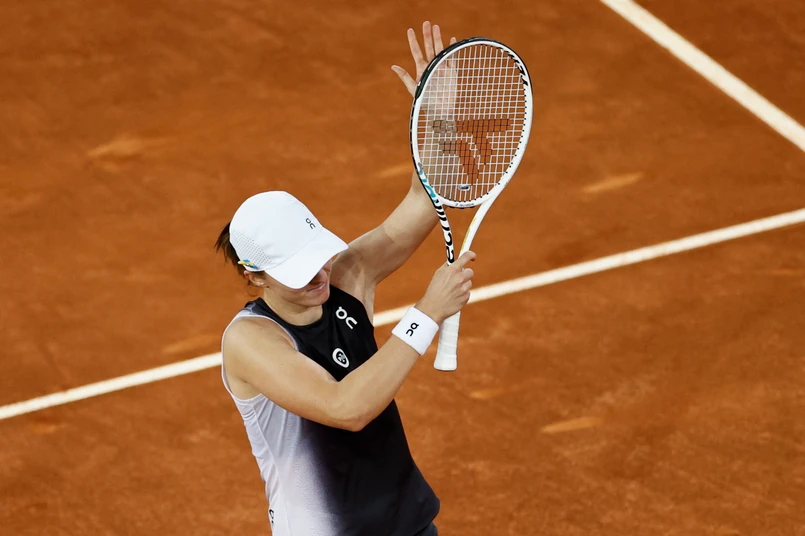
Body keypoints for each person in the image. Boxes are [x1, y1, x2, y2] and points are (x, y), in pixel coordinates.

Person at [214, 22, 476, 536]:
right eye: (296, 270)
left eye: (317, 256)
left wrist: (437, 121)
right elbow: (346, 407)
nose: (318, 275)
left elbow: (426, 198)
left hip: (408, 525)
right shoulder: (250, 341)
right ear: (255, 276)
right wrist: (426, 313)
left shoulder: (348, 277)